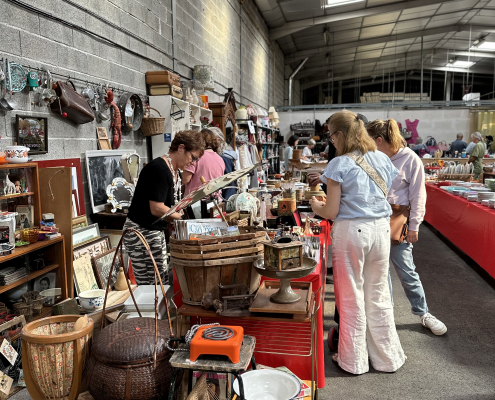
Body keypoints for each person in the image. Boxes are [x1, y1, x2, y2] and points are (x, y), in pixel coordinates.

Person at [310, 110, 405, 375]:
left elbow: (330, 212)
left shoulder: (339, 164)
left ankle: (354, 361)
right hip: (381, 231)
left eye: (331, 136)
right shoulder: (381, 158)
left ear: (340, 134)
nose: (331, 141)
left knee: (351, 296)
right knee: (378, 294)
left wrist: (315, 205)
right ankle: (387, 358)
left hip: (353, 231)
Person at [368, 118, 447, 336]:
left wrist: (414, 226)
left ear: (379, 139)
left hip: (398, 221)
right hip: (373, 220)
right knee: (379, 272)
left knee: (406, 270)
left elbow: (418, 195)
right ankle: (386, 315)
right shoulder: (374, 157)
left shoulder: (410, 159)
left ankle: (423, 313)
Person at [124, 130, 205, 285]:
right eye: (193, 158)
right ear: (181, 148)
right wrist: (184, 220)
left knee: (161, 278)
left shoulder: (174, 172)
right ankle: (152, 310)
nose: (193, 163)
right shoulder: (159, 169)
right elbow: (157, 208)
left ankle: (160, 309)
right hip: (140, 231)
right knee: (151, 284)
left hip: (154, 230)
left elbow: (171, 207)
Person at [182, 129, 226, 218]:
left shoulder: (196, 157)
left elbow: (185, 179)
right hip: (216, 202)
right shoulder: (220, 159)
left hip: (196, 204)